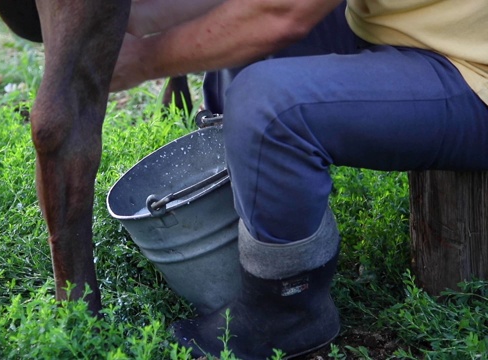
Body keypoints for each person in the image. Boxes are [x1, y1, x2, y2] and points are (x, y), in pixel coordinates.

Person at [110, 0, 488, 358]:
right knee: (243, 32)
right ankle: (267, 221)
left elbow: (283, 14)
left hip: (473, 70)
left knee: (268, 105)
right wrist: (133, 17)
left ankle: (286, 309)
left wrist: (143, 60)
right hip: (415, 27)